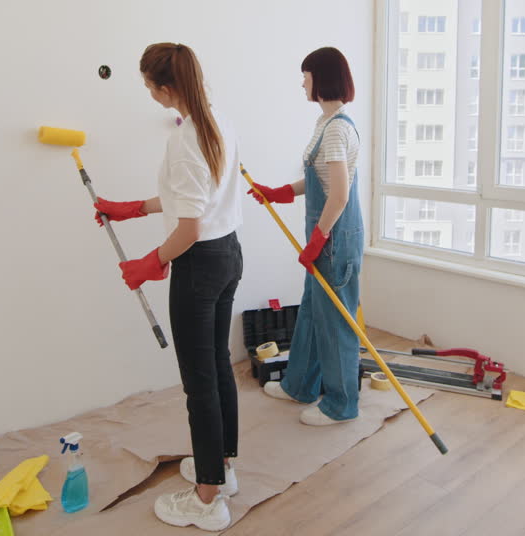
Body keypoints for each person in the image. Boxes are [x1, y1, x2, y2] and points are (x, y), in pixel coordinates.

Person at [93, 42, 243, 531]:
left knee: (199, 382)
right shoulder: (213, 120)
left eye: (148, 86)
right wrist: (132, 208)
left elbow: (188, 229)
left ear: (166, 86)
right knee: (218, 365)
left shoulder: (185, 140)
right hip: (228, 256)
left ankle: (206, 500)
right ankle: (220, 468)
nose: (149, 94)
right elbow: (189, 199)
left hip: (199, 265)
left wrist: (149, 263)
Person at [247, 46, 363, 426]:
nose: (302, 82)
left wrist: (318, 239)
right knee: (313, 314)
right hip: (326, 237)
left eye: (306, 75)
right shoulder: (325, 125)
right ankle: (300, 385)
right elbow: (321, 180)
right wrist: (279, 192)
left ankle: (341, 405)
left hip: (335, 240)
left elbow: (340, 195)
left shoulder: (337, 130)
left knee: (336, 323)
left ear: (321, 78)